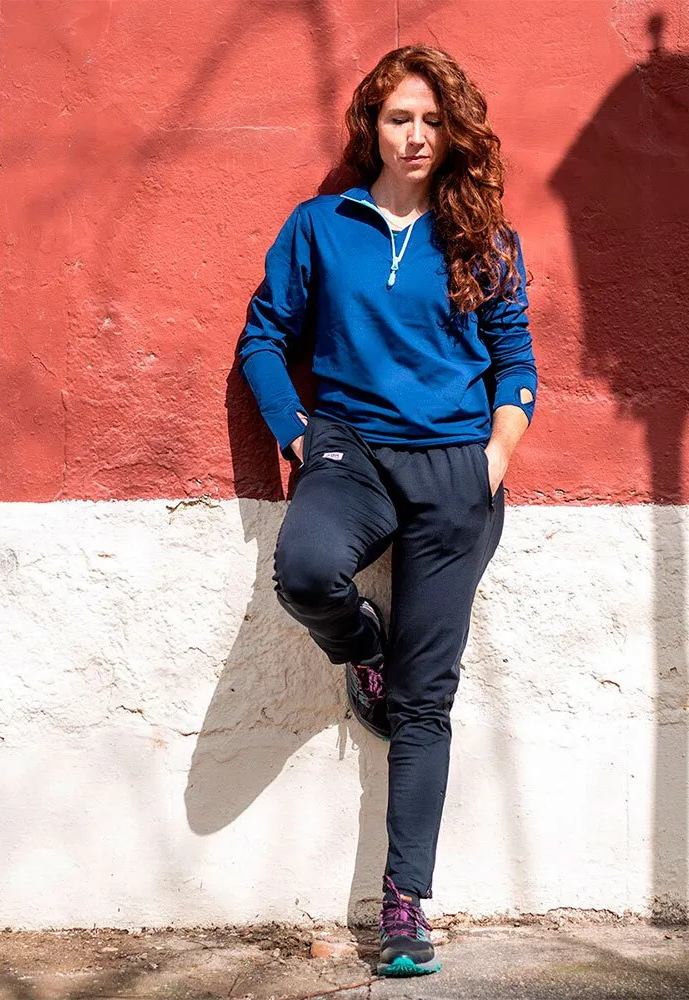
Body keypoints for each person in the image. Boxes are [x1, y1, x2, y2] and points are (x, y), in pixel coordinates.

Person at [236, 45, 536, 977]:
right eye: (401, 117)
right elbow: (263, 337)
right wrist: (296, 436)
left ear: (455, 133)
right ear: (372, 124)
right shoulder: (321, 225)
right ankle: (362, 650)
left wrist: (493, 458)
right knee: (306, 569)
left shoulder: (483, 238)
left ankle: (404, 905)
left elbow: (517, 362)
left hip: (456, 470)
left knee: (425, 700)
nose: (417, 135)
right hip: (351, 449)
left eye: (434, 121)